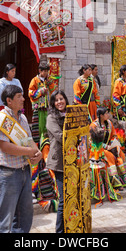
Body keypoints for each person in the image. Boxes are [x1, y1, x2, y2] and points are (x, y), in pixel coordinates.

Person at [0, 84, 42, 233]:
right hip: (8, 174)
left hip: (24, 171)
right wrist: (29, 151)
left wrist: (37, 153)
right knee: (5, 219)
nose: (23, 99)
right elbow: (5, 146)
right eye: (19, 96)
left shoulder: (23, 117)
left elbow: (28, 140)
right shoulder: (3, 118)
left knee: (24, 216)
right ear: (9, 100)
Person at [90, 107, 126, 190]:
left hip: (110, 146)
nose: (108, 115)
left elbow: (114, 135)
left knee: (121, 154)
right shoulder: (93, 126)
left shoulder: (109, 123)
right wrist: (106, 147)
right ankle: (116, 182)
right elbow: (92, 142)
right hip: (98, 149)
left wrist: (114, 144)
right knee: (110, 157)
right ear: (101, 116)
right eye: (106, 113)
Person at [46, 90, 69, 233]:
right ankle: (60, 231)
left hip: (73, 160)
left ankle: (70, 226)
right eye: (56, 100)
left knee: (72, 195)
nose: (59, 102)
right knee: (64, 198)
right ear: (53, 103)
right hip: (59, 160)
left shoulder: (71, 114)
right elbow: (61, 136)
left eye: (62, 98)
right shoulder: (51, 118)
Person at [28, 63, 56, 144]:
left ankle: (47, 143)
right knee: (38, 127)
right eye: (45, 71)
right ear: (40, 71)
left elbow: (53, 91)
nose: (46, 73)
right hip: (38, 107)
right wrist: (41, 91)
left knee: (47, 126)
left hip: (47, 107)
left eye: (47, 71)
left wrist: (50, 83)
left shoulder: (48, 80)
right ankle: (38, 144)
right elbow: (31, 93)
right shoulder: (34, 80)